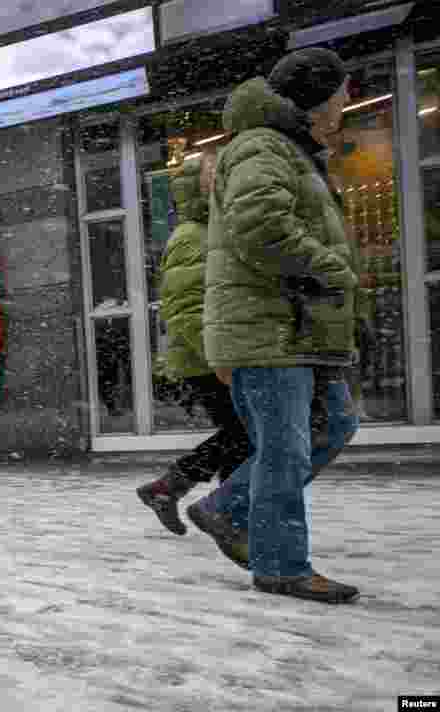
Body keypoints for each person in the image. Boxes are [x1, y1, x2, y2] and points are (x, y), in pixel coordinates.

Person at [187, 47, 362, 603]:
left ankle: (226, 506)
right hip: (269, 327)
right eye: (342, 90)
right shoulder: (263, 146)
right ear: (317, 94)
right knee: (286, 448)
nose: (347, 100)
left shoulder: (287, 147)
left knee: (332, 424)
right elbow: (261, 226)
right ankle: (282, 566)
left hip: (297, 325)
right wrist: (333, 269)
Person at [137, 153, 253, 534]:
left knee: (240, 434)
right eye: (212, 173)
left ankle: (175, 490)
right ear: (194, 187)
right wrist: (218, 357)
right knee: (245, 433)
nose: (222, 178)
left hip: (218, 354)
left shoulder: (214, 230)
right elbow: (185, 308)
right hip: (207, 359)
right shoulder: (191, 237)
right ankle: (221, 508)